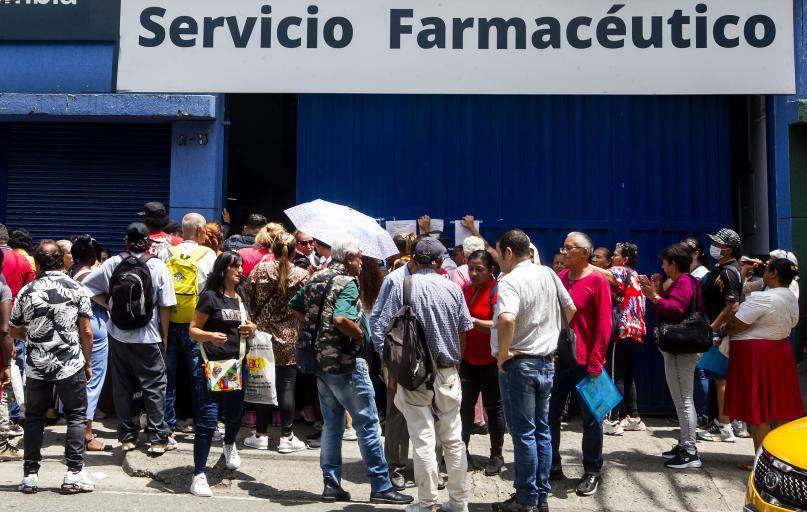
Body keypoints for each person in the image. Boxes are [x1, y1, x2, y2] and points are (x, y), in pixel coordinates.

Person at [289, 236, 412, 506]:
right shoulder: (347, 283)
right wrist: (357, 335)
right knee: (367, 424)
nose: (360, 263)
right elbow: (342, 318)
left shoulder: (316, 278)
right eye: (358, 258)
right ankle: (381, 484)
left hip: (321, 362)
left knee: (332, 425)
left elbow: (295, 306)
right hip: (347, 362)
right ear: (348, 259)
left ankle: (331, 485)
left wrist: (318, 331)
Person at [375, 238, 472, 512]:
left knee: (422, 440)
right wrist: (456, 363)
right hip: (447, 370)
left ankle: (428, 503)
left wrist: (389, 370)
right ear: (442, 263)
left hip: (411, 374)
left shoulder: (402, 285)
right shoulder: (453, 289)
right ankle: (459, 502)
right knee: (453, 440)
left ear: (414, 261)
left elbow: (383, 328)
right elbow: (462, 331)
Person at [491, 231, 575, 512]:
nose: (499, 260)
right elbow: (571, 308)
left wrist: (504, 354)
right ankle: (540, 497)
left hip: (520, 364)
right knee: (541, 431)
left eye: (499, 253)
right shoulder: (550, 275)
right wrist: (548, 335)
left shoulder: (511, 281)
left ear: (509, 253)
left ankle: (526, 499)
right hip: (546, 362)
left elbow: (506, 319)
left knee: (525, 434)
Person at [8, 241, 95, 494]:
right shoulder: (77, 288)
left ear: (37, 263)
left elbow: (13, 328)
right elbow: (87, 331)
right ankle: (74, 474)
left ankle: (30, 476)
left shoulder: (27, 291)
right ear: (62, 261)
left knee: (34, 418)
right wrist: (87, 362)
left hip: (37, 366)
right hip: (70, 364)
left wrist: (35, 338)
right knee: (76, 416)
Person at [83, 223, 177, 454]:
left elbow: (87, 287)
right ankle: (157, 438)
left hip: (118, 335)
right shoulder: (157, 266)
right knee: (154, 386)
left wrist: (111, 306)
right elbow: (165, 306)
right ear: (148, 242)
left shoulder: (114, 263)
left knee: (123, 387)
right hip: (148, 336)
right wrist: (164, 336)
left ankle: (127, 437)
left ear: (126, 241)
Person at [188, 252, 257, 497]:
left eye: (240, 266)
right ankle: (199, 474)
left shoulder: (241, 296)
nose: (240, 270)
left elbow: (250, 324)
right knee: (207, 420)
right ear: (223, 270)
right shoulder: (210, 297)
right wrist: (210, 336)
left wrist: (252, 328)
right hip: (212, 367)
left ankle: (229, 445)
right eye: (234, 267)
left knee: (236, 414)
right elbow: (193, 330)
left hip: (237, 366)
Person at [722, 258, 804, 459]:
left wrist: (726, 327)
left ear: (774, 274)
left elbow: (739, 324)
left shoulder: (764, 298)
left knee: (760, 411)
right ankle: (783, 459)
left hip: (755, 354)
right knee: (780, 408)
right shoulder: (791, 297)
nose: (764, 272)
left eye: (767, 269)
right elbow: (793, 322)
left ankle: (761, 461)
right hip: (780, 351)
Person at [551, 232, 612, 497]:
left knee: (592, 419)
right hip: (561, 358)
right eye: (563, 247)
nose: (563, 252)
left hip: (589, 361)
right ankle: (552, 466)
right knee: (550, 415)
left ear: (583, 253)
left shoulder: (598, 279)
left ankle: (592, 470)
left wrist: (597, 360)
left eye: (568, 248)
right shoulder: (562, 278)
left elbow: (604, 324)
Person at [640, 243, 705, 469]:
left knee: (684, 399)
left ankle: (690, 451)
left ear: (674, 264)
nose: (662, 266)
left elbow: (676, 310)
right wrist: (657, 290)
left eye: (665, 262)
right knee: (681, 398)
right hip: (680, 348)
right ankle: (685, 444)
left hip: (681, 349)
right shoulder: (686, 282)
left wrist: (653, 296)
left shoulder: (685, 282)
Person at [244, 232, 310, 453]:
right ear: (294, 252)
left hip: (261, 336)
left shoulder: (260, 270)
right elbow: (307, 306)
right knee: (286, 387)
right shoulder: (301, 274)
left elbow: (248, 296)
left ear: (272, 250)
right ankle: (286, 436)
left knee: (262, 384)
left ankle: (261, 434)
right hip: (289, 336)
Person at [160, 214, 217, 435]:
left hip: (169, 321)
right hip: (196, 324)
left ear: (183, 231)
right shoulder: (209, 254)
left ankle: (167, 428)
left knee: (168, 379)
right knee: (198, 377)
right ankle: (205, 424)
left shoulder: (167, 251)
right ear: (201, 230)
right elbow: (212, 291)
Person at [370, 251, 417, 491]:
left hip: (426, 361)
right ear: (415, 261)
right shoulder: (395, 280)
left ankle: (425, 467)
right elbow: (377, 320)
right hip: (398, 358)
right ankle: (396, 466)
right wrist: (386, 359)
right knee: (397, 412)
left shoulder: (439, 280)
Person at [458, 250, 506, 477]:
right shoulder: (466, 289)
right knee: (464, 408)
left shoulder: (498, 291)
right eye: (471, 269)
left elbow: (498, 324)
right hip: (468, 359)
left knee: (493, 408)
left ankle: (496, 455)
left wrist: (473, 321)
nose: (474, 273)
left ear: (491, 271)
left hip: (491, 360)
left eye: (480, 269)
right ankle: (462, 452)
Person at [593, 243, 647, 436]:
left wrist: (585, 265)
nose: (612, 258)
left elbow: (609, 276)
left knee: (616, 375)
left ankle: (612, 419)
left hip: (622, 331)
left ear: (624, 259)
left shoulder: (621, 270)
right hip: (637, 331)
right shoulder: (637, 276)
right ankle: (633, 417)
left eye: (615, 255)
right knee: (628, 375)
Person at [697, 228, 743, 443]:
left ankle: (725, 427)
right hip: (714, 329)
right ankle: (721, 422)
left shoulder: (729, 272)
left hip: (718, 332)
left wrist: (714, 327)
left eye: (718, 243)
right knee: (716, 377)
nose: (714, 246)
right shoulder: (720, 268)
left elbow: (733, 304)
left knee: (720, 378)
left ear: (729, 249)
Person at [71, 235, 111, 452]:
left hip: (74, 328)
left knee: (78, 381)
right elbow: (110, 301)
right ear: (95, 255)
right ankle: (86, 434)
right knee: (92, 381)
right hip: (93, 329)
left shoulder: (72, 274)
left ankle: (77, 430)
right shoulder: (93, 276)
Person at [682, 236, 712, 428]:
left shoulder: (702, 274)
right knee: (691, 372)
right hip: (688, 327)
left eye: (688, 248)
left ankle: (703, 413)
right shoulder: (689, 273)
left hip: (698, 328)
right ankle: (692, 414)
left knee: (701, 372)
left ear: (697, 253)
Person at [0, 250, 21, 462]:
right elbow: (5, 330)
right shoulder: (2, 288)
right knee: (2, 396)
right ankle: (1, 447)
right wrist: (7, 362)